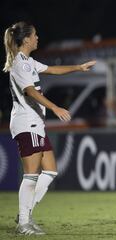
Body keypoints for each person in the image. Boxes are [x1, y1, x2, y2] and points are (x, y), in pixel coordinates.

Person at [3, 21, 96, 235]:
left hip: (35, 122)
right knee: (31, 174)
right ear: (26, 39)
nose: (37, 38)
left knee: (51, 170)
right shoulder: (20, 64)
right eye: (35, 35)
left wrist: (78, 67)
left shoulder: (28, 61)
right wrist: (55, 107)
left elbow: (52, 69)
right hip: (27, 122)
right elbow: (30, 92)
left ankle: (25, 214)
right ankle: (24, 223)